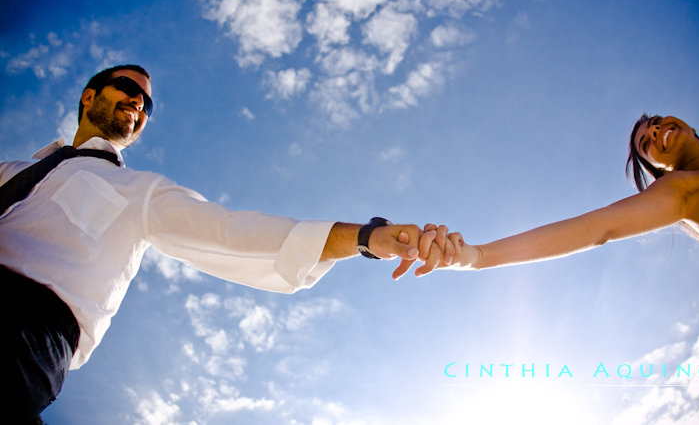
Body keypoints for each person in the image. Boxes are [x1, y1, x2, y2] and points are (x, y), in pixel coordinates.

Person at [0, 64, 452, 422]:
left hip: (24, 335)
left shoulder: (141, 193)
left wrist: (366, 237)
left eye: (147, 105)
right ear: (89, 95)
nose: (139, 102)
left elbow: (231, 232)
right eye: (126, 87)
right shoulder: (9, 171)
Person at [394, 114, 699, 303]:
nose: (656, 131)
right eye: (646, 143)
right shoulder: (682, 192)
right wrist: (479, 255)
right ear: (657, 167)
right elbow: (597, 227)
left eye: (655, 122)